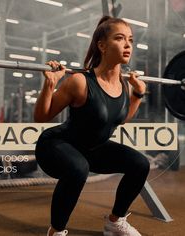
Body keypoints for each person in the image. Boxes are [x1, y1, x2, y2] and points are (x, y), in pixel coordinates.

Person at [34, 15, 150, 236]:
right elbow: (41, 117)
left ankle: (115, 222)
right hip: (56, 145)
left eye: (131, 40)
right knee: (79, 169)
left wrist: (138, 93)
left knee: (140, 164)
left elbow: (121, 118)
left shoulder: (124, 85)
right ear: (102, 45)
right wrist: (50, 84)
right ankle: (56, 231)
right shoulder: (80, 81)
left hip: (92, 149)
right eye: (120, 38)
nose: (128, 45)